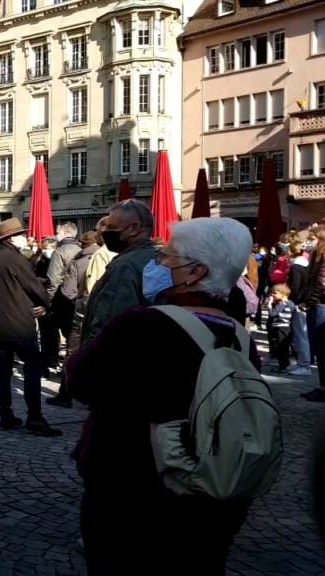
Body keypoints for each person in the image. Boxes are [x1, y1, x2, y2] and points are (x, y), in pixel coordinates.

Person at [67, 217, 259, 575]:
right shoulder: (239, 335)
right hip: (213, 494)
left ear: (195, 271)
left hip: (134, 493)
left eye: (167, 258)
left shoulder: (143, 326)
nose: (157, 265)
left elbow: (82, 381)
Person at [0, 218, 61, 437]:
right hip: (19, 324)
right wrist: (45, 304)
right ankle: (35, 417)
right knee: (32, 370)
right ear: (10, 238)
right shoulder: (15, 259)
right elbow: (34, 286)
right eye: (20, 234)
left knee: (3, 373)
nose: (24, 237)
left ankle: (5, 415)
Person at [82, 199, 157, 345]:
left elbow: (110, 323)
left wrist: (87, 359)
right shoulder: (156, 257)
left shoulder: (125, 266)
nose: (105, 232)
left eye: (111, 227)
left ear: (134, 228)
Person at [47, 230, 100, 408]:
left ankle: (66, 394)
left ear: (82, 244)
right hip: (103, 315)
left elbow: (67, 291)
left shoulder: (77, 261)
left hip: (80, 313)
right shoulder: (113, 257)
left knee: (72, 353)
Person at [44, 223, 82, 373]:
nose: (56, 234)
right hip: (76, 298)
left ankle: (52, 363)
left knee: (51, 332)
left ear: (66, 233)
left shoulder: (60, 252)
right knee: (72, 335)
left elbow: (53, 280)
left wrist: (48, 301)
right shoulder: (81, 250)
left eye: (57, 232)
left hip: (61, 298)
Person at [300, 226, 325, 401]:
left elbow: (322, 284)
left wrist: (309, 302)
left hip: (321, 306)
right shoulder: (317, 257)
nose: (309, 241)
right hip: (316, 305)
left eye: (313, 238)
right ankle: (322, 386)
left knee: (322, 348)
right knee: (319, 348)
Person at [287, 241, 312, 376]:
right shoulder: (307, 265)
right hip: (303, 303)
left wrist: (291, 301)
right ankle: (303, 363)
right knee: (303, 335)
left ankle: (304, 365)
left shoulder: (296, 267)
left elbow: (295, 288)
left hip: (298, 304)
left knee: (300, 335)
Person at [267, 284, 297, 372]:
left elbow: (272, 314)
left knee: (281, 347)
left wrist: (269, 304)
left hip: (281, 328)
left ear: (283, 294)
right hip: (286, 328)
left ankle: (283, 366)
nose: (272, 295)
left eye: (274, 293)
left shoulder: (281, 304)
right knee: (284, 347)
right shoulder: (290, 303)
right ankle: (283, 365)